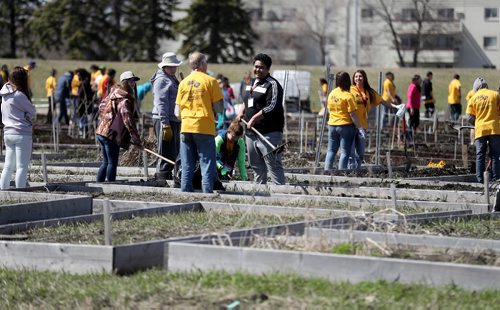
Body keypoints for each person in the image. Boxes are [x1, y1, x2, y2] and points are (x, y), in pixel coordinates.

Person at [176, 51, 224, 193]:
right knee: (207, 162)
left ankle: (185, 193)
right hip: (204, 127)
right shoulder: (210, 81)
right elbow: (219, 107)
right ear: (202, 64)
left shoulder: (183, 83)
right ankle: (207, 193)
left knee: (186, 164)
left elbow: (176, 112)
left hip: (186, 127)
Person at [237, 53, 286, 185]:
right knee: (256, 166)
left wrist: (254, 118)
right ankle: (260, 193)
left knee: (273, 166)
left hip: (269, 133)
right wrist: (241, 112)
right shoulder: (251, 82)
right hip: (250, 133)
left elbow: (272, 106)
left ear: (268, 69)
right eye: (256, 66)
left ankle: (281, 194)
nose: (257, 70)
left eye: (261, 67)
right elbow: (246, 100)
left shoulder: (273, 85)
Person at [95, 71, 142, 182]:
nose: (132, 83)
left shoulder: (112, 93)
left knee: (106, 162)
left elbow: (101, 107)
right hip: (110, 134)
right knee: (112, 162)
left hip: (101, 131)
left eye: (133, 81)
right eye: (130, 81)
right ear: (124, 82)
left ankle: (98, 183)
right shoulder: (123, 99)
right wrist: (136, 139)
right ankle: (111, 185)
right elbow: (128, 120)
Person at [348, 69, 396, 169]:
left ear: (364, 78)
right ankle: (350, 172)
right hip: (350, 124)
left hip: (362, 126)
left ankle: (357, 169)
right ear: (353, 78)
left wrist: (396, 107)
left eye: (360, 76)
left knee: (360, 153)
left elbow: (383, 101)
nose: (358, 78)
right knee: (351, 153)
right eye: (356, 76)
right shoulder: (350, 90)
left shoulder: (369, 91)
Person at [0, 67, 36, 189]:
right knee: (21, 166)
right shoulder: (19, 95)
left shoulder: (4, 95)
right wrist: (25, 115)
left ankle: (3, 191)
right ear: (22, 80)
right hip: (22, 134)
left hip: (8, 133)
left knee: (8, 166)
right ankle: (21, 193)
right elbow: (32, 111)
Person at [151, 52, 182, 181]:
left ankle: (167, 174)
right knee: (165, 149)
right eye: (171, 66)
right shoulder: (161, 80)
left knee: (172, 149)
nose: (174, 68)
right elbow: (161, 102)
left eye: (175, 66)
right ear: (165, 67)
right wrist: (165, 123)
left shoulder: (171, 78)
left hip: (172, 119)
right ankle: (162, 175)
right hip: (164, 119)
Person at [324, 71, 363, 171]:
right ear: (347, 81)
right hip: (345, 126)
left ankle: (327, 171)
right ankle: (341, 173)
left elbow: (328, 108)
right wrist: (360, 127)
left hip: (332, 125)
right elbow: (353, 114)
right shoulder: (348, 96)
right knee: (345, 152)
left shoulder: (332, 93)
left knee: (331, 150)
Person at [466, 78, 500, 183]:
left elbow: (468, 117)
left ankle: (480, 179)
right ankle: (496, 178)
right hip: (494, 129)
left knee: (480, 154)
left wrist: (476, 122)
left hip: (480, 130)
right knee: (495, 154)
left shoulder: (473, 97)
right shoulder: (495, 95)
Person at [406, 74, 422, 142]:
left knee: (417, 122)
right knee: (412, 123)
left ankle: (409, 135)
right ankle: (409, 138)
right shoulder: (412, 86)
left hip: (416, 107)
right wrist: (412, 108)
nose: (420, 81)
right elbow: (410, 97)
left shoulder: (417, 87)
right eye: (419, 80)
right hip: (412, 107)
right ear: (415, 80)